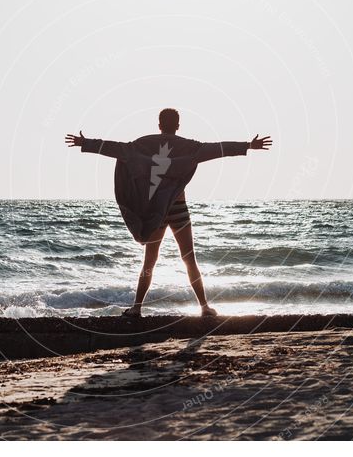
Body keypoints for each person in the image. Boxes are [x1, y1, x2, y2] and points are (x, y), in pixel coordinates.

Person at [65, 108, 272, 317]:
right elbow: (218, 149)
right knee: (189, 258)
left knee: (149, 261)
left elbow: (116, 149)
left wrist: (86, 143)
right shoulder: (189, 147)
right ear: (178, 125)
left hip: (156, 211)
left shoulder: (143, 144)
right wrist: (248, 145)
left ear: (159, 124)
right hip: (178, 208)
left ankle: (137, 308)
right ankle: (204, 307)